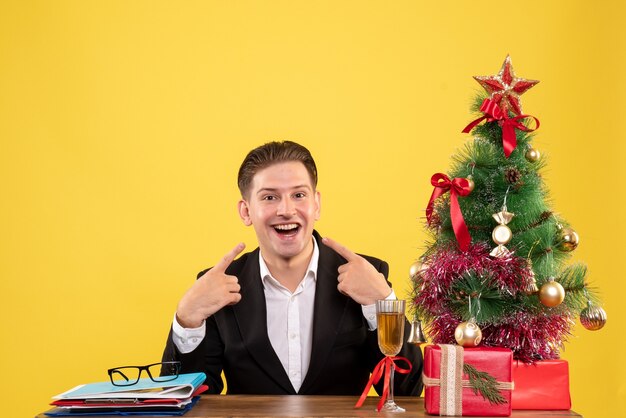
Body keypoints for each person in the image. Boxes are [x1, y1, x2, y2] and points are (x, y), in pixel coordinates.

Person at [161, 141, 423, 395]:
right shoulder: (219, 285)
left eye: (299, 195)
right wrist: (186, 321)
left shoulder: (367, 274)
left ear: (316, 204)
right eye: (269, 197)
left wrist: (384, 303)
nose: (286, 210)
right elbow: (187, 398)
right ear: (246, 212)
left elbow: (407, 390)